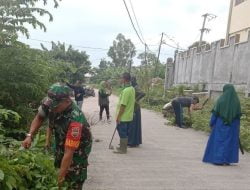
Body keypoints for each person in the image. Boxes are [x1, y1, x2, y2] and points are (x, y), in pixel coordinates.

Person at [22, 83, 92, 189]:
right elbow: (39, 117)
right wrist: (29, 135)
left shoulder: (76, 121)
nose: (52, 109)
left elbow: (69, 153)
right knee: (58, 166)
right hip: (61, 142)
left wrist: (59, 181)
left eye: (56, 106)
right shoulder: (51, 102)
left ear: (67, 101)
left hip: (76, 152)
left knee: (71, 181)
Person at [203, 84, 241, 165]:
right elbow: (238, 116)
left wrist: (211, 123)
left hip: (220, 124)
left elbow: (215, 113)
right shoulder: (237, 101)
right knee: (230, 142)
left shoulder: (221, 100)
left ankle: (218, 160)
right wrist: (237, 127)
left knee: (219, 142)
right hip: (232, 125)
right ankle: (227, 160)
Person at [114, 72, 135, 154]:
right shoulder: (132, 88)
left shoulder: (126, 90)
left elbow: (123, 106)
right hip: (128, 116)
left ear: (124, 79)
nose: (120, 79)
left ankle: (123, 149)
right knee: (125, 132)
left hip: (123, 116)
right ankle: (123, 147)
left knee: (122, 132)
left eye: (121, 78)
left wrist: (118, 117)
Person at [128, 76, 145, 147]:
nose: (131, 81)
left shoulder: (136, 87)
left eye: (132, 80)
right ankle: (133, 141)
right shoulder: (132, 87)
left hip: (136, 108)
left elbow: (143, 93)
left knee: (133, 125)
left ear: (134, 80)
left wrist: (136, 99)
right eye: (131, 80)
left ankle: (132, 142)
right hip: (133, 108)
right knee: (133, 125)